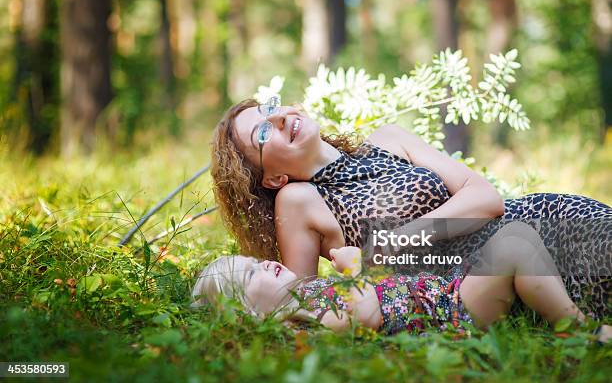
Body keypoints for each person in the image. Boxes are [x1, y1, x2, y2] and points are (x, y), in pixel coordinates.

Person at [210, 98, 612, 318]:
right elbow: (303, 301)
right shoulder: (298, 201)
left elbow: (486, 199)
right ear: (272, 179)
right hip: (493, 278)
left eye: (270, 107)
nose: (278, 117)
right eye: (262, 132)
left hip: (546, 218)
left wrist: (400, 238)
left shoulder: (389, 138)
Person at [192, 222, 611, 342]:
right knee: (515, 243)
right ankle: (580, 328)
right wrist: (353, 268)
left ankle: (563, 317)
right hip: (452, 314)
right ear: (246, 311)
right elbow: (364, 315)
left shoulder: (307, 294)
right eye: (249, 274)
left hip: (446, 295)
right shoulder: (304, 320)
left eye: (254, 260)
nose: (263, 264)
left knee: (516, 238)